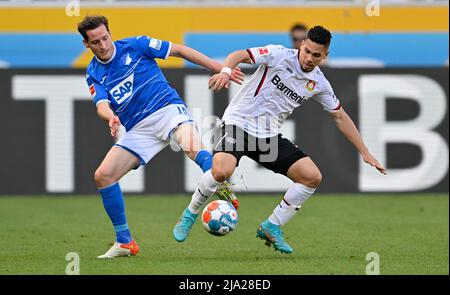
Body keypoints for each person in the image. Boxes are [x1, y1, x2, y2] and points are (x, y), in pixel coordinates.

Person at [172, 26, 386, 253]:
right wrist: (226, 71)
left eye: (317, 55)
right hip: (238, 123)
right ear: (302, 45)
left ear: (325, 56)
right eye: (307, 51)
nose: (309, 58)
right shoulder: (278, 54)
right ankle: (190, 213)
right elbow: (240, 55)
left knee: (311, 177)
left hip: (267, 137)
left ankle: (271, 226)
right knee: (222, 170)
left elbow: (340, 116)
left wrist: (364, 151)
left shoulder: (319, 83)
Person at [78, 15, 243, 258]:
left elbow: (179, 50)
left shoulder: (136, 45)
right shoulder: (93, 72)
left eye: (105, 38)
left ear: (110, 33)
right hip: (139, 129)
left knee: (192, 147)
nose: (103, 45)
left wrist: (219, 68)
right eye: (95, 42)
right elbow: (101, 103)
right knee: (103, 176)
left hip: (166, 109)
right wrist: (110, 117)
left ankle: (220, 183)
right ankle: (124, 242)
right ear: (86, 44)